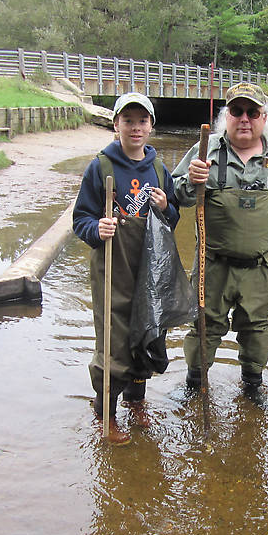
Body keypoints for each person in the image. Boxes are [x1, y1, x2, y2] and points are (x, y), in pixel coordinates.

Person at [172, 82, 268, 392]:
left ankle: (252, 387)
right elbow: (176, 196)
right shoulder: (204, 150)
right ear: (226, 116)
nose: (244, 118)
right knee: (204, 328)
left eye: (252, 112)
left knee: (256, 328)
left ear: (264, 118)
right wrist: (191, 181)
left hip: (260, 268)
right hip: (212, 266)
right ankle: (194, 385)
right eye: (237, 111)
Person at [73, 92, 179, 444]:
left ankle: (137, 402)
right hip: (112, 272)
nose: (136, 128)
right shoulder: (100, 167)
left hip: (148, 272)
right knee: (114, 341)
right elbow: (80, 220)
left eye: (142, 121)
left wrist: (167, 208)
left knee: (146, 332)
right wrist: (97, 229)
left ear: (151, 125)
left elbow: (172, 222)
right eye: (128, 121)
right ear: (115, 124)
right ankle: (106, 414)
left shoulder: (159, 169)